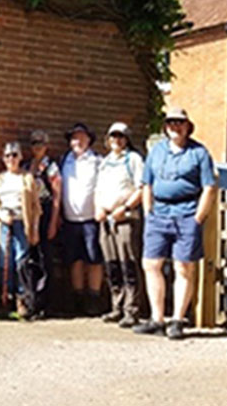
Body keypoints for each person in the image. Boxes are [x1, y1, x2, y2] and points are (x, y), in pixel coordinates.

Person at [133, 107, 217, 340]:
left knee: (184, 267)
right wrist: (148, 212)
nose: (175, 126)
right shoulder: (156, 151)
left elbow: (209, 187)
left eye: (179, 123)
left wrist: (198, 218)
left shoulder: (199, 153)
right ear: (165, 126)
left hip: (187, 213)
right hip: (158, 214)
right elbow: (147, 184)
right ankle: (157, 319)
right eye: (170, 123)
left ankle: (177, 320)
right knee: (151, 264)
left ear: (188, 126)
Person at [94, 122, 146, 328]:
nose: (117, 140)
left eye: (121, 137)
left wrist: (124, 208)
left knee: (129, 264)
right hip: (105, 220)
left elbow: (141, 188)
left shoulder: (133, 159)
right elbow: (98, 189)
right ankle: (117, 305)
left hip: (125, 219)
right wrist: (98, 208)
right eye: (113, 136)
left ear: (127, 139)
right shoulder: (105, 162)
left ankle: (132, 309)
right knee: (111, 264)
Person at [0, 142, 41, 319]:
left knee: (22, 261)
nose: (11, 159)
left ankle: (23, 299)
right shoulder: (0, 179)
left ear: (20, 158)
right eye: (8, 156)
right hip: (4, 224)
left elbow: (36, 206)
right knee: (6, 261)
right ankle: (6, 298)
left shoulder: (27, 178)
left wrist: (34, 228)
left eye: (14, 155)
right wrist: (1, 216)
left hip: (21, 223)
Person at [58, 123, 106, 316]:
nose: (77, 141)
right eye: (74, 138)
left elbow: (103, 187)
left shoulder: (97, 161)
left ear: (89, 140)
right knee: (74, 259)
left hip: (91, 219)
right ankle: (77, 298)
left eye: (81, 138)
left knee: (94, 259)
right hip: (69, 219)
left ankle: (93, 298)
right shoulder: (63, 161)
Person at [22, 130, 61, 318]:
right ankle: (31, 300)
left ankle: (45, 303)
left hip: (45, 213)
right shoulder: (26, 166)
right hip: (28, 214)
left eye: (41, 144)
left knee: (45, 259)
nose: (37, 147)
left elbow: (56, 196)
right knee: (30, 258)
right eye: (34, 144)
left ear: (47, 146)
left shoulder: (51, 167)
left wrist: (53, 221)